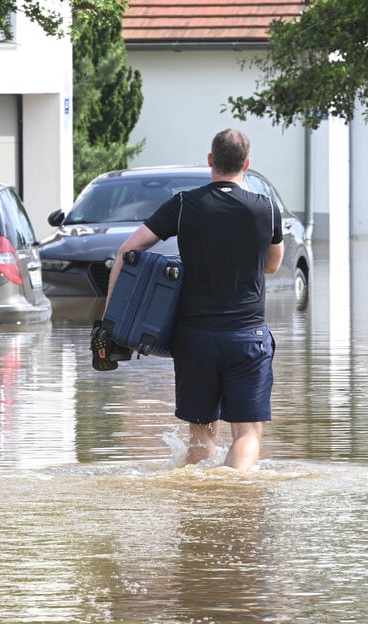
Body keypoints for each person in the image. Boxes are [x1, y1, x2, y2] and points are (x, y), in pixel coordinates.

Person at [96, 129, 284, 471]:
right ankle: (232, 502)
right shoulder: (266, 210)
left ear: (210, 161)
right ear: (247, 164)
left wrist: (110, 320)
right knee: (247, 434)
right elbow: (273, 265)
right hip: (247, 338)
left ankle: (199, 502)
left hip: (194, 340)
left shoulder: (184, 205)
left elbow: (128, 250)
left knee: (200, 437)